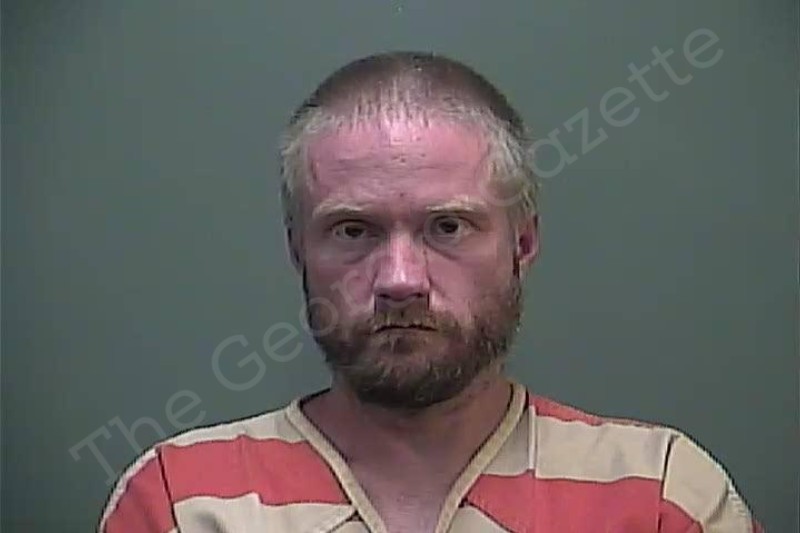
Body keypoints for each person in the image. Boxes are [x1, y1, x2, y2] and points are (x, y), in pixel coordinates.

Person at [99, 52, 762, 533]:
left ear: (523, 244)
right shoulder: (183, 503)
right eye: (353, 230)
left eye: (448, 227)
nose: (400, 279)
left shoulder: (659, 497)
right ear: (298, 250)